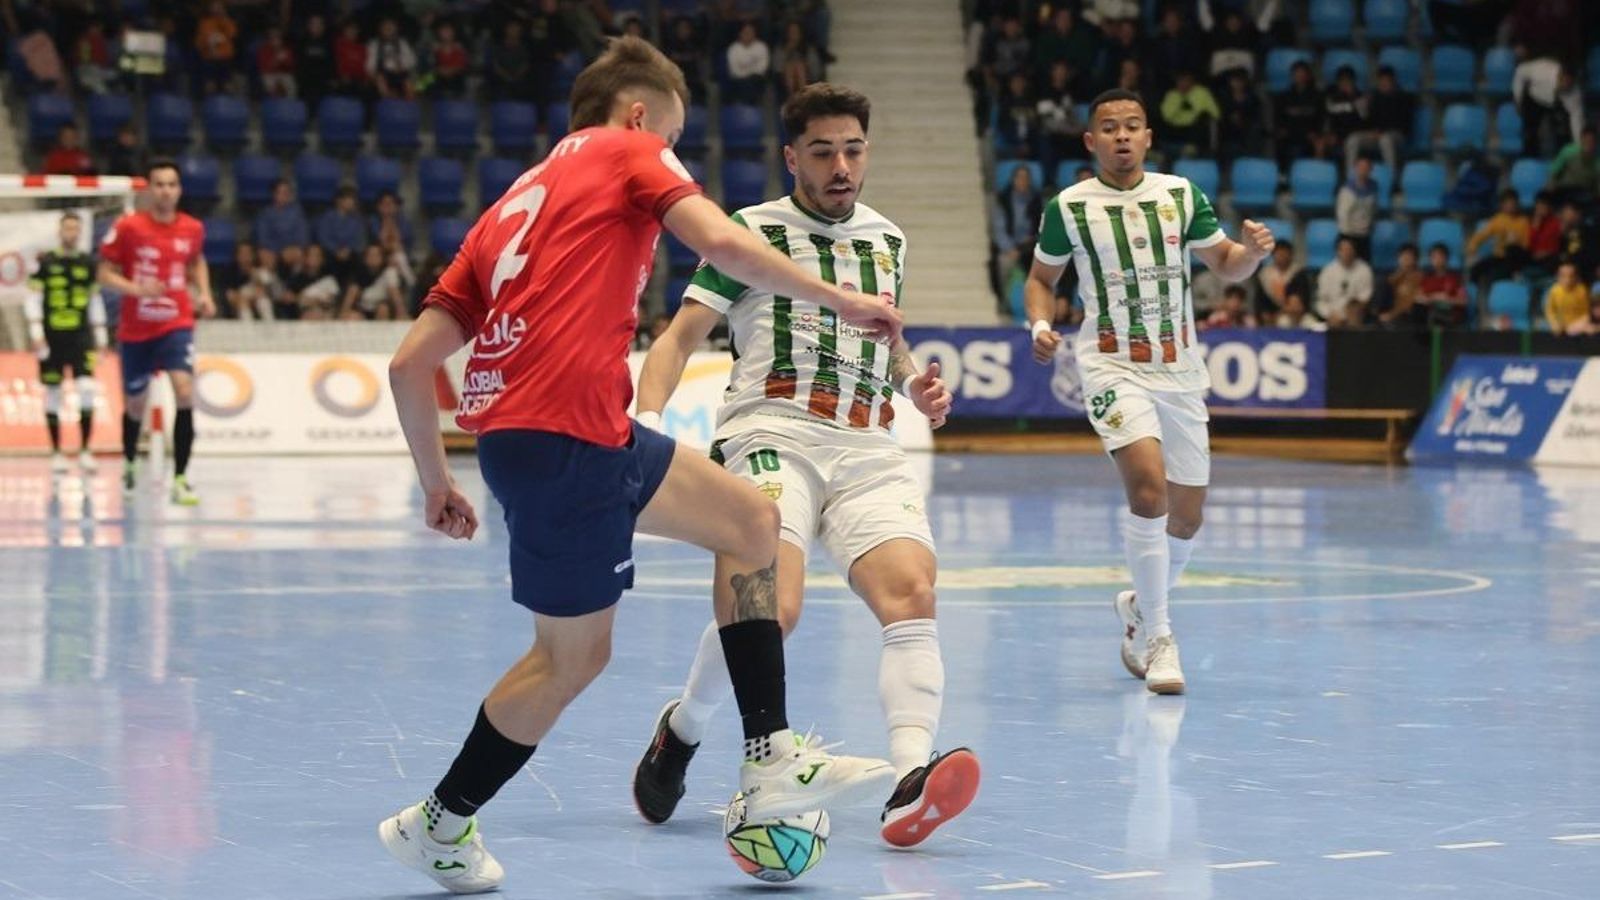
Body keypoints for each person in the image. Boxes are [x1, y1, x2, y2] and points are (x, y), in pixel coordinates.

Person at [378, 38, 902, 894]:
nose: (673, 153)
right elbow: (725, 247)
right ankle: (438, 823)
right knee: (570, 660)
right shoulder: (629, 150)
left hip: (568, 436)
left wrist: (438, 482)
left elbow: (409, 364)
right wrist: (843, 299)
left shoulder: (512, 203)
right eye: (673, 135)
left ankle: (769, 755)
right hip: (567, 442)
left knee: (751, 520)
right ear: (636, 115)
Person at [629, 83, 977, 850]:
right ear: (793, 157)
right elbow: (676, 339)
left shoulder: (888, 241)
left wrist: (915, 382)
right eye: (822, 151)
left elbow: (884, 350)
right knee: (773, 608)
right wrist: (649, 426)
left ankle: (909, 780)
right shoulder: (749, 232)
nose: (841, 164)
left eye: (853, 148)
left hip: (867, 445)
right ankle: (683, 729)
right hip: (770, 434)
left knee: (914, 592)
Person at [1024, 89, 1275, 695]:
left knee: (1187, 517)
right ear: (1091, 141)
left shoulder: (1180, 196)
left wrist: (1253, 255)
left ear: (1148, 136)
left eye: (1132, 126)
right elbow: (1041, 278)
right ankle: (1160, 636)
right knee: (1148, 489)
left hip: (1181, 369)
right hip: (1111, 364)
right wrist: (1039, 322)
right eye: (1108, 127)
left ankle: (1139, 603)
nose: (1121, 136)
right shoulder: (1070, 206)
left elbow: (1227, 265)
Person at [97, 159, 214, 505]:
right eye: (159, 184)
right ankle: (131, 460)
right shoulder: (129, 227)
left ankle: (180, 478)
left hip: (176, 322)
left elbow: (196, 261)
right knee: (136, 404)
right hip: (136, 328)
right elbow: (104, 274)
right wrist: (136, 289)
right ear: (149, 190)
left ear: (179, 190)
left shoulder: (192, 228)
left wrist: (204, 293)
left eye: (172, 184)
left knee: (184, 390)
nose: (166, 190)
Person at [24, 212, 105, 472]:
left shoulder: (88, 263)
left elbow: (94, 301)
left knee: (86, 389)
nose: (71, 233)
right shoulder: (46, 262)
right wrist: (36, 332)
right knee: (53, 393)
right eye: (67, 228)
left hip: (80, 338)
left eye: (75, 228)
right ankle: (57, 452)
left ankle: (84, 450)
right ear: (60, 231)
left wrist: (101, 336)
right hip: (52, 337)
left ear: (80, 232)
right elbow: (33, 298)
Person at [1315, 236, 1374, 327]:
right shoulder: (1327, 271)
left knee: (1355, 313)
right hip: (1333, 315)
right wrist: (1329, 314)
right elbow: (1321, 300)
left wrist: (1349, 314)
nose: (1347, 253)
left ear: (1355, 251)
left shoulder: (1364, 269)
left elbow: (1365, 298)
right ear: (1337, 251)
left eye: (1349, 249)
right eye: (1343, 249)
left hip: (1355, 314)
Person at [1545, 261, 1590, 333]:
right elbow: (1550, 311)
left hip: (1578, 327)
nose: (1567, 279)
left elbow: (1587, 313)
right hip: (1560, 327)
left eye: (1571, 276)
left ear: (1576, 277)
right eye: (1563, 276)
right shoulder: (1554, 290)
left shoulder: (1582, 291)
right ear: (1557, 276)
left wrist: (1576, 326)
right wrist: (1554, 323)